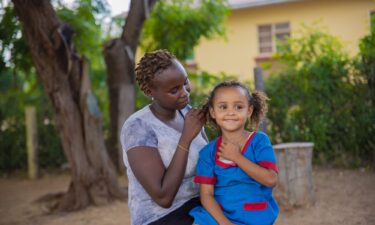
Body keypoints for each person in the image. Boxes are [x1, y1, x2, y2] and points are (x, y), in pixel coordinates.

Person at [120, 49, 208, 225]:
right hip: (161, 217)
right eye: (174, 90)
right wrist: (185, 138)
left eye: (185, 83)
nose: (185, 93)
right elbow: (163, 197)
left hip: (200, 205)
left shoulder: (187, 113)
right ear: (149, 90)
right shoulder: (138, 127)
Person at [189, 80, 279, 225]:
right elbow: (206, 195)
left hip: (255, 215)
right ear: (213, 112)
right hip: (219, 218)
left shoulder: (259, 141)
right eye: (223, 107)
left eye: (238, 107)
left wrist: (236, 157)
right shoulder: (208, 153)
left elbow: (271, 180)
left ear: (249, 110)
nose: (231, 112)